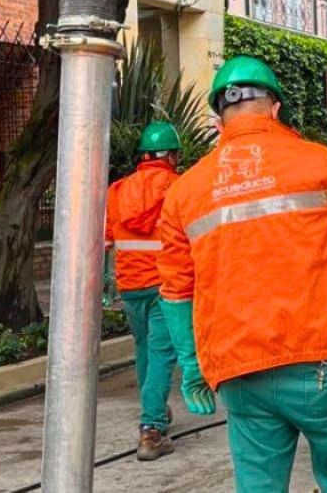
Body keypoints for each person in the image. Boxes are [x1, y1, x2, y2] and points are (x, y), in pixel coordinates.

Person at [156, 56, 327, 492]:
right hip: (326, 364)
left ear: (220, 116)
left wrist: (193, 365)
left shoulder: (184, 192)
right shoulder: (318, 163)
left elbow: (176, 291)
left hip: (241, 370)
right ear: (275, 108)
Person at [104, 120, 183, 461]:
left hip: (131, 285)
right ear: (171, 156)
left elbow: (107, 241)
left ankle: (155, 408)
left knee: (144, 349)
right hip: (164, 284)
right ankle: (151, 429)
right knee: (163, 354)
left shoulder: (118, 191)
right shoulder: (179, 188)